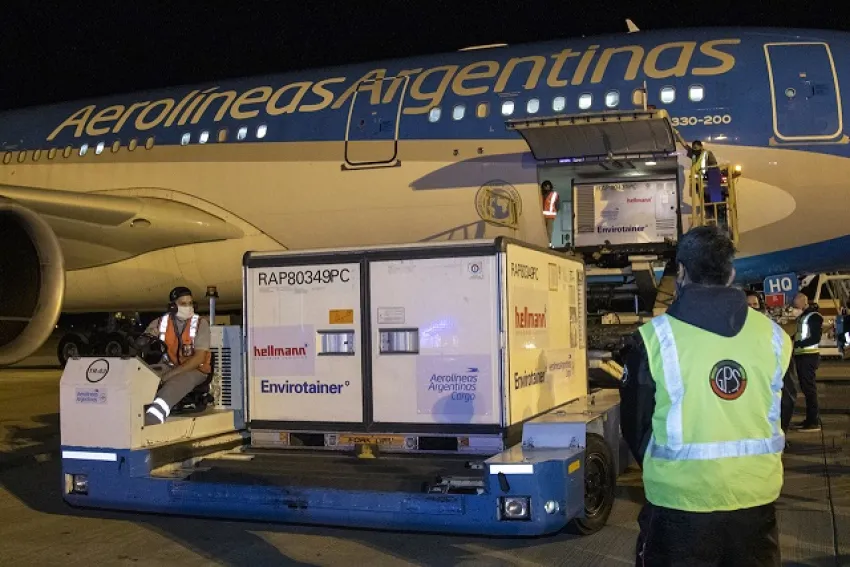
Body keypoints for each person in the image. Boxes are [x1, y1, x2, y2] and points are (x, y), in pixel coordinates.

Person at [619, 226, 791, 566]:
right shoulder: (774, 337)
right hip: (754, 501)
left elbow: (635, 425)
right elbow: (781, 411)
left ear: (681, 272)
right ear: (731, 274)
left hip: (678, 506)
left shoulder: (653, 339)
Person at [141, 286, 212, 426]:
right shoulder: (161, 322)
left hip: (196, 369)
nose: (188, 307)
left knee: (172, 386)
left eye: (190, 303)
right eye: (183, 303)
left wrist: (169, 375)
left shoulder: (200, 324)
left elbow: (199, 358)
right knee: (142, 377)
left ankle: (152, 420)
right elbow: (142, 343)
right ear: (173, 306)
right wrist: (146, 339)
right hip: (169, 365)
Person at [791, 292, 823, 432]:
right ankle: (810, 420)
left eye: (796, 305)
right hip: (802, 356)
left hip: (808, 356)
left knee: (809, 390)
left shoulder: (814, 316)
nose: (795, 307)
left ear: (804, 302)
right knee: (806, 389)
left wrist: (797, 344)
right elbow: (799, 333)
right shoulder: (804, 316)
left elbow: (815, 338)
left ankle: (813, 422)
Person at [540, 180, 559, 246]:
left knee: (549, 231)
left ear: (550, 186)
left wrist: (554, 211)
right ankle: (543, 243)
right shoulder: (541, 194)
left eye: (547, 186)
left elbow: (557, 205)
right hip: (542, 216)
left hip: (550, 217)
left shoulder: (554, 194)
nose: (546, 187)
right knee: (543, 231)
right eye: (545, 186)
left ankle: (548, 244)